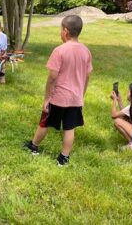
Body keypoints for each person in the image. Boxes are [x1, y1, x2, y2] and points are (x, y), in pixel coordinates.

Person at [23, 15, 92, 166]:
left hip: (58, 97)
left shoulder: (59, 50)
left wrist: (47, 98)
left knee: (44, 123)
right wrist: (82, 95)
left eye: (61, 30)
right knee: (69, 128)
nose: (60, 32)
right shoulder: (86, 51)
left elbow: (52, 78)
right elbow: (87, 76)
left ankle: (33, 146)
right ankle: (63, 158)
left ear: (65, 31)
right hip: (75, 99)